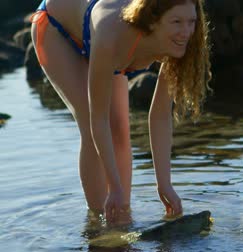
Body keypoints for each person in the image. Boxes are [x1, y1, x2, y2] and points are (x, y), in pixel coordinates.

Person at [29, 0, 211, 222]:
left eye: (191, 21)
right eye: (177, 22)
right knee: (89, 120)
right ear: (153, 21)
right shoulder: (112, 37)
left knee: (120, 129)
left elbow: (161, 115)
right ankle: (98, 222)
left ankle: (122, 213)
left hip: (103, 35)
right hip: (56, 28)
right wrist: (113, 187)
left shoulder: (179, 43)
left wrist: (164, 185)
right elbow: (99, 120)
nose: (186, 32)